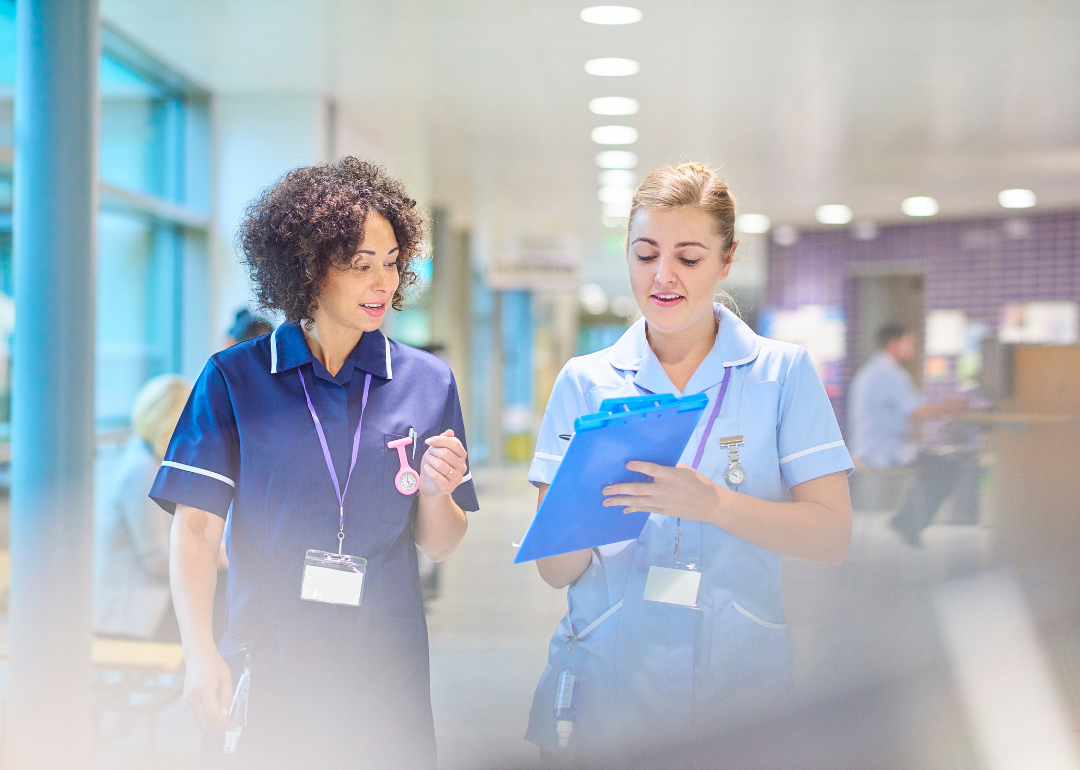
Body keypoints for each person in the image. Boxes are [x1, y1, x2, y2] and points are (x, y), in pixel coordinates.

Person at [150, 157, 478, 769]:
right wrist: (199, 652)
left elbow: (441, 544)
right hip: (270, 657)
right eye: (361, 267)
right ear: (308, 270)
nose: (383, 283)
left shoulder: (427, 382)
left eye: (391, 263)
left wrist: (438, 493)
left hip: (384, 665)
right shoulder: (234, 379)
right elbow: (194, 529)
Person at [525, 163, 854, 758]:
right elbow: (555, 571)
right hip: (607, 682)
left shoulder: (781, 374)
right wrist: (585, 498)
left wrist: (715, 505)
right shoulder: (586, 382)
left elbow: (831, 535)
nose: (663, 276)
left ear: (727, 261)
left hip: (738, 688)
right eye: (645, 254)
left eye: (689, 257)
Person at [848, 325, 969, 546]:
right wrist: (955, 404)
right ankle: (906, 523)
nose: (913, 349)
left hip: (867, 447)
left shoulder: (871, 371)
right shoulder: (890, 374)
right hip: (882, 450)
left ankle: (906, 521)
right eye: (909, 343)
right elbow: (922, 413)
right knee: (947, 467)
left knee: (933, 465)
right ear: (893, 344)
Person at [94, 374, 192, 641]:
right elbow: (158, 558)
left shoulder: (147, 459)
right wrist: (213, 556)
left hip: (150, 605)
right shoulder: (141, 471)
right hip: (132, 616)